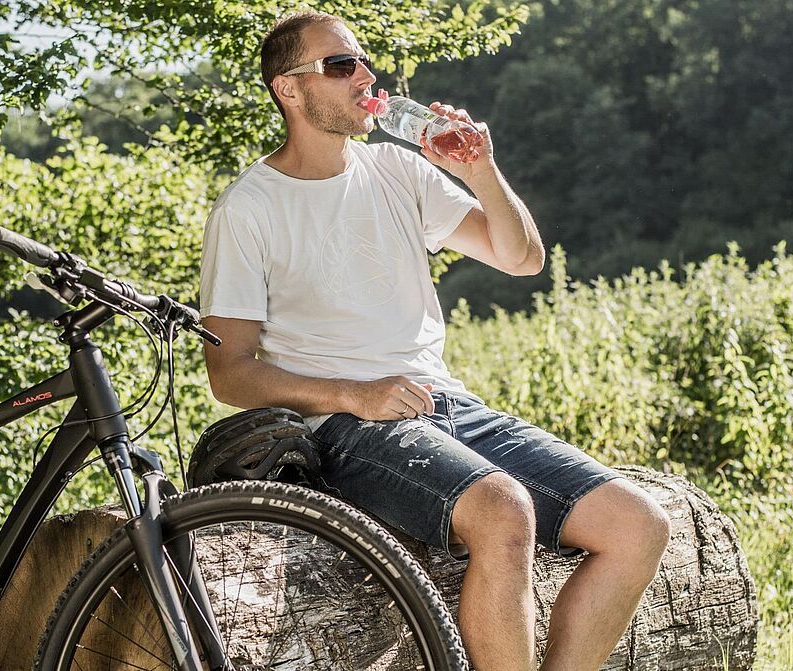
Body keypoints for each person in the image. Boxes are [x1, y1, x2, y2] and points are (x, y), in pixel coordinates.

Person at [198, 11, 670, 671]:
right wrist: (354, 393)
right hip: (345, 426)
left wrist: (481, 170)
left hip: (446, 404)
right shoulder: (248, 209)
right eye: (341, 66)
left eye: (363, 62)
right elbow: (229, 372)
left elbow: (521, 257)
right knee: (503, 510)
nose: (365, 77)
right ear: (289, 89)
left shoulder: (398, 169)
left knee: (638, 526)